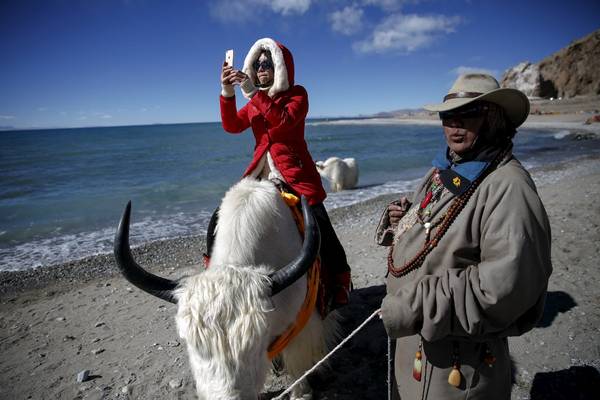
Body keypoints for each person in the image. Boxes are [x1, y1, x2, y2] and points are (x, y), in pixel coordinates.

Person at [375, 74, 552, 399]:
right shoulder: (443, 170)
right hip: (414, 350)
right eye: (448, 115)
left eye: (469, 113)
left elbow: (506, 288)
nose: (455, 124)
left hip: (460, 372)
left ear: (494, 118)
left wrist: (417, 304)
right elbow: (431, 226)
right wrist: (402, 219)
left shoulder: (509, 187)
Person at [217, 37, 351, 311]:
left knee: (321, 226)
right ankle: (216, 263)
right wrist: (227, 92)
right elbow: (231, 126)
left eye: (267, 63)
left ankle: (340, 281)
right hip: (261, 173)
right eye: (257, 63)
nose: (261, 67)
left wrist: (252, 92)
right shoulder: (256, 99)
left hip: (296, 175)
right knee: (224, 216)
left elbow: (283, 122)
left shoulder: (298, 94)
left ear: (281, 67)